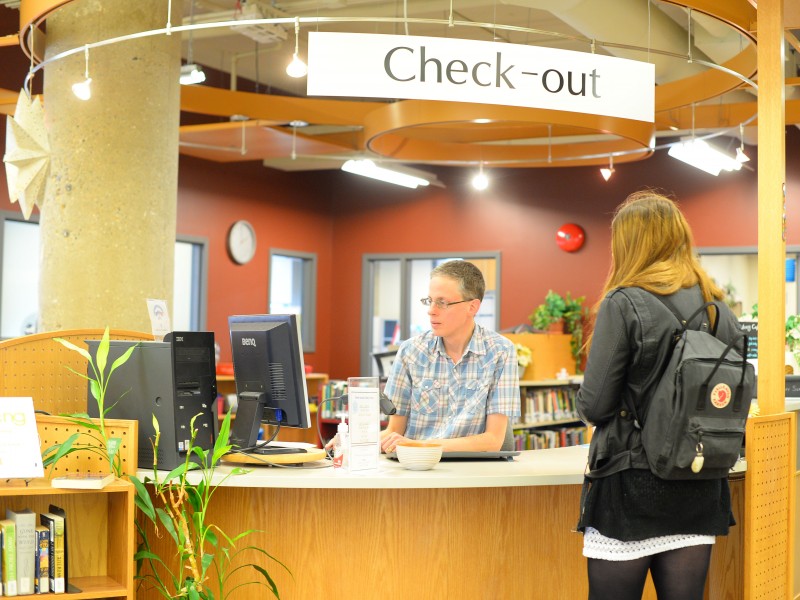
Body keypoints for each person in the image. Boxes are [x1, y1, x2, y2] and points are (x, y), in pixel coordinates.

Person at [575, 190, 743, 600]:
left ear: (627, 245)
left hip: (631, 481)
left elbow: (595, 405)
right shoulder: (718, 307)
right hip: (700, 477)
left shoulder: (623, 302)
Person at [380, 260, 520, 453]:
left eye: (442, 302)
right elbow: (393, 431)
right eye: (430, 301)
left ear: (472, 307)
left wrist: (422, 445)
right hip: (416, 468)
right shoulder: (410, 351)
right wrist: (353, 443)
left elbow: (493, 441)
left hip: (472, 473)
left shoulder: (500, 352)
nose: (431, 310)